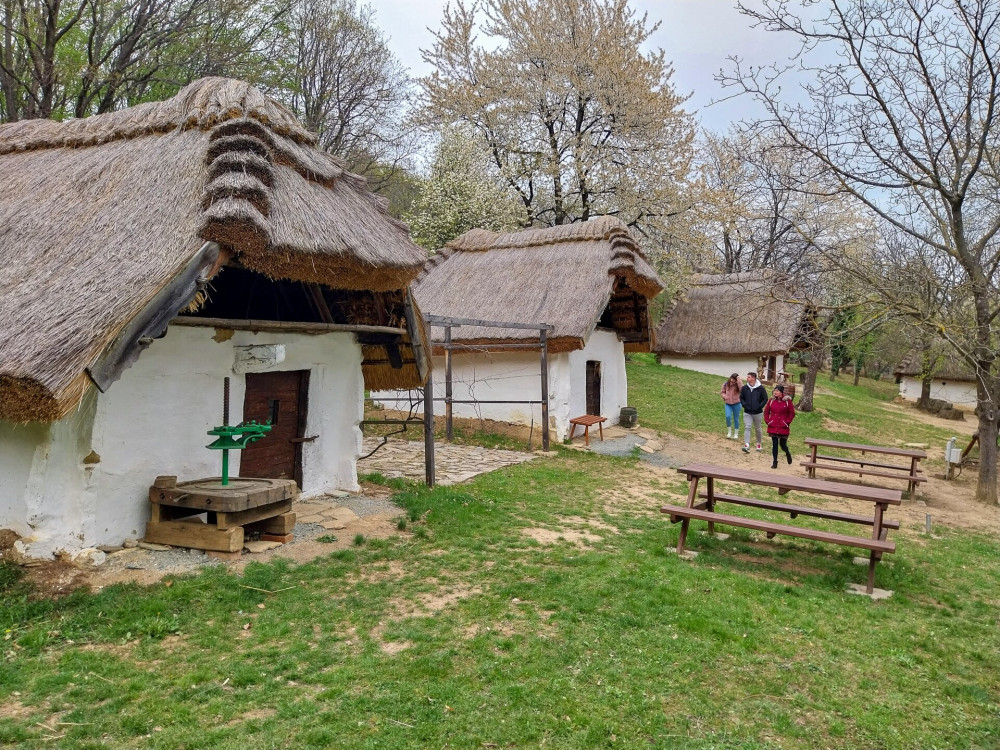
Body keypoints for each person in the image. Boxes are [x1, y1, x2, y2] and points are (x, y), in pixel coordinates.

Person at [764, 384, 796, 469]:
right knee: (774, 444)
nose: (775, 392)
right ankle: (775, 461)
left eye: (777, 391)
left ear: (781, 392)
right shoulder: (771, 401)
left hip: (783, 426)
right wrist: (768, 421)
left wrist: (787, 422)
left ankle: (787, 452)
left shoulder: (787, 401)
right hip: (773, 425)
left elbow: (792, 413)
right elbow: (766, 411)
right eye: (774, 390)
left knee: (782, 445)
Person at [740, 371, 768, 453]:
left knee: (758, 428)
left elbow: (765, 398)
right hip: (747, 412)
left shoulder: (761, 388)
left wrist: (759, 406)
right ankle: (746, 445)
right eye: (747, 377)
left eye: (748, 377)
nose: (747, 378)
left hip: (758, 413)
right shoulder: (744, 388)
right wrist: (744, 405)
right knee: (747, 427)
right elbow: (741, 398)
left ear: (753, 378)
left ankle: (759, 443)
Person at [719, 373, 743, 439]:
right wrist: (725, 397)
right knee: (728, 416)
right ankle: (729, 432)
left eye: (734, 379)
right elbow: (722, 392)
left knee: (736, 419)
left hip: (737, 403)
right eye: (731, 378)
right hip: (728, 404)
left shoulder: (738, 385)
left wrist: (738, 380)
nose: (732, 380)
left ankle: (736, 433)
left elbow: (742, 389)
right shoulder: (726, 384)